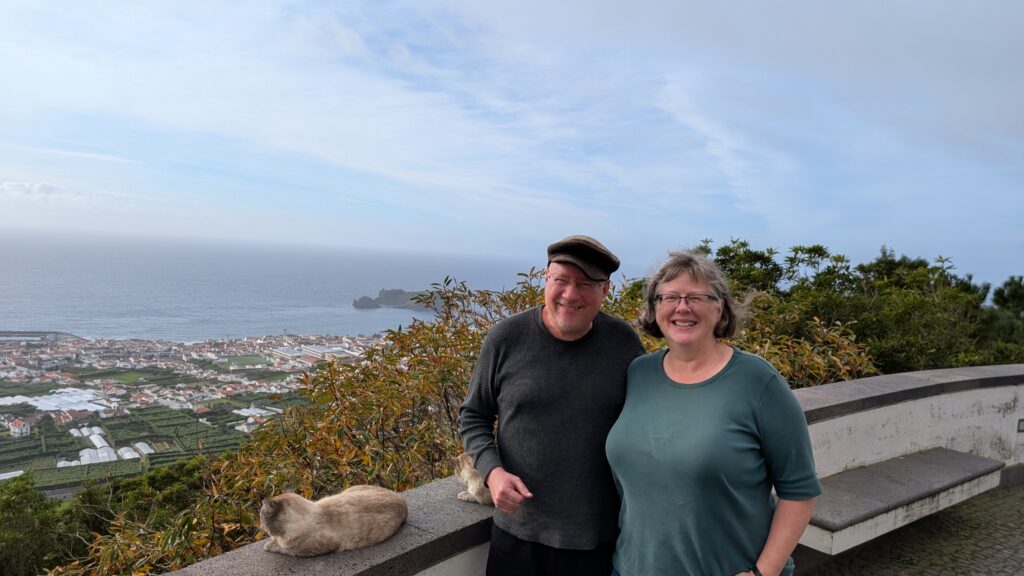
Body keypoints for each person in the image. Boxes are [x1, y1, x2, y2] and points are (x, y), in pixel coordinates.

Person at [605, 250, 820, 576]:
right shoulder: (638, 373)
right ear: (654, 308)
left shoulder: (759, 382)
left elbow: (799, 493)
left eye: (696, 297)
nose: (682, 307)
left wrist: (764, 573)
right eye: (670, 297)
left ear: (720, 308)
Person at [459, 235, 646, 576]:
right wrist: (493, 473)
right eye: (562, 280)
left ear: (605, 291)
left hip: (597, 542)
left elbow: (649, 423)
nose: (570, 295)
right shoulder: (506, 338)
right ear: (545, 279)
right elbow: (474, 415)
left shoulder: (624, 343)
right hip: (516, 536)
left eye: (586, 284)